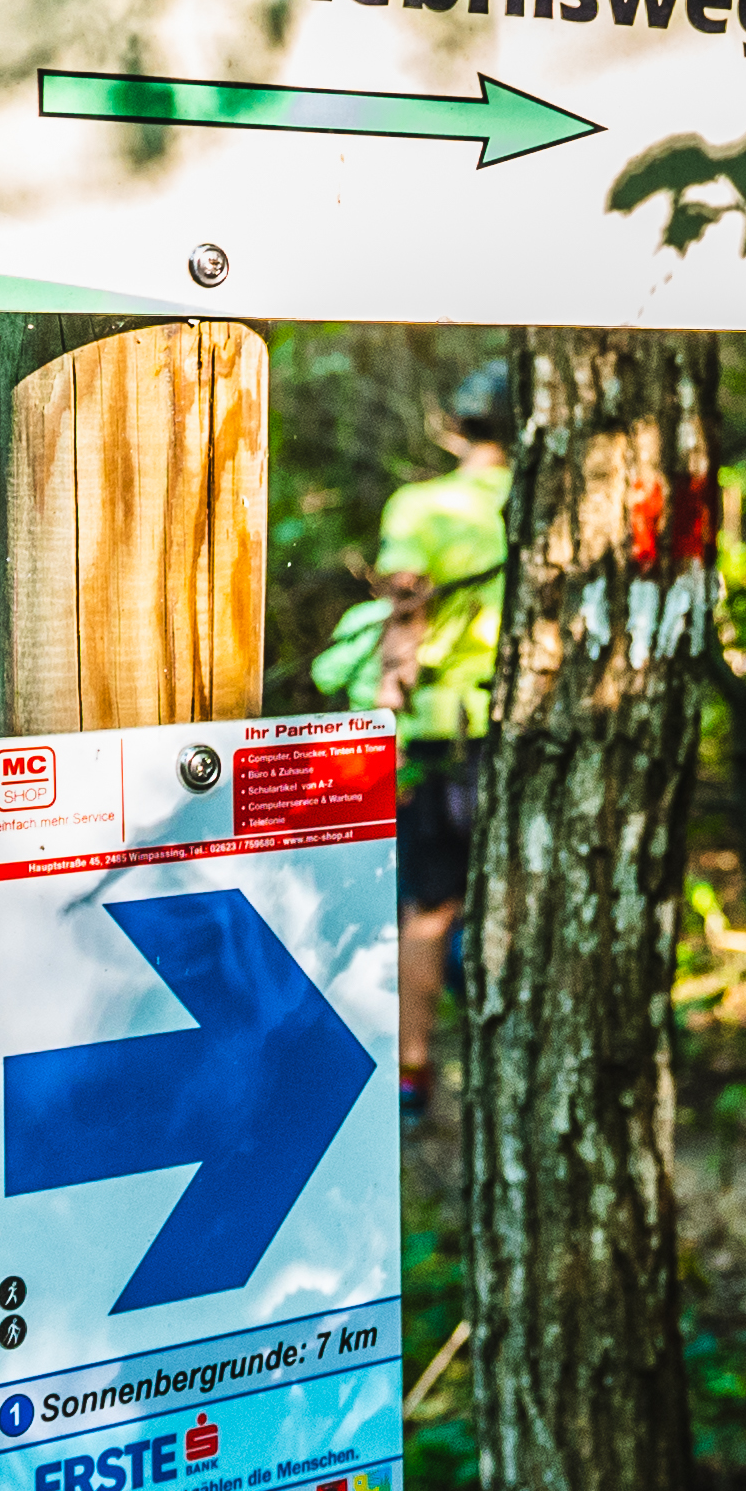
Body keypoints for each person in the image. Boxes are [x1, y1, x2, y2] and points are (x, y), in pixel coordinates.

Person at [318, 359, 512, 1125]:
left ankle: (412, 1073)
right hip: (523, 735)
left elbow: (406, 620)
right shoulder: (553, 501)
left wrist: (385, 717)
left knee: (429, 906)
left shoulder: (423, 507)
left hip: (437, 735)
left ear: (456, 425)